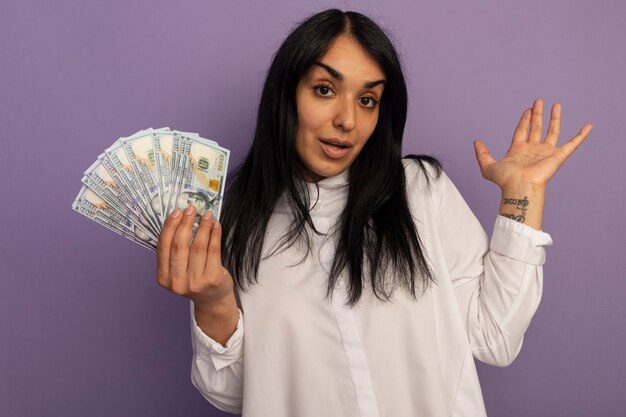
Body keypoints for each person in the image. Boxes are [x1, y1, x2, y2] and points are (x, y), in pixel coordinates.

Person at [155, 9, 592, 417]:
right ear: (286, 95)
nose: (348, 120)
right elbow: (235, 393)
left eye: (368, 100)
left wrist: (523, 194)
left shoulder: (422, 190)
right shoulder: (230, 222)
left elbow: (495, 336)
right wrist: (212, 303)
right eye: (324, 90)